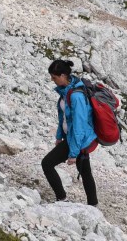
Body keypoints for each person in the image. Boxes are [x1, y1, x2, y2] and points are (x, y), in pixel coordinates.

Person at [41, 60, 99, 206]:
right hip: (74, 138)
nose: (52, 80)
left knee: (47, 164)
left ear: (62, 75)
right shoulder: (66, 91)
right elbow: (64, 117)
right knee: (85, 172)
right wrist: (59, 136)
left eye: (54, 77)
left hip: (78, 139)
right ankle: (93, 205)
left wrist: (73, 152)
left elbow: (79, 126)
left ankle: (62, 199)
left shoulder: (76, 96)